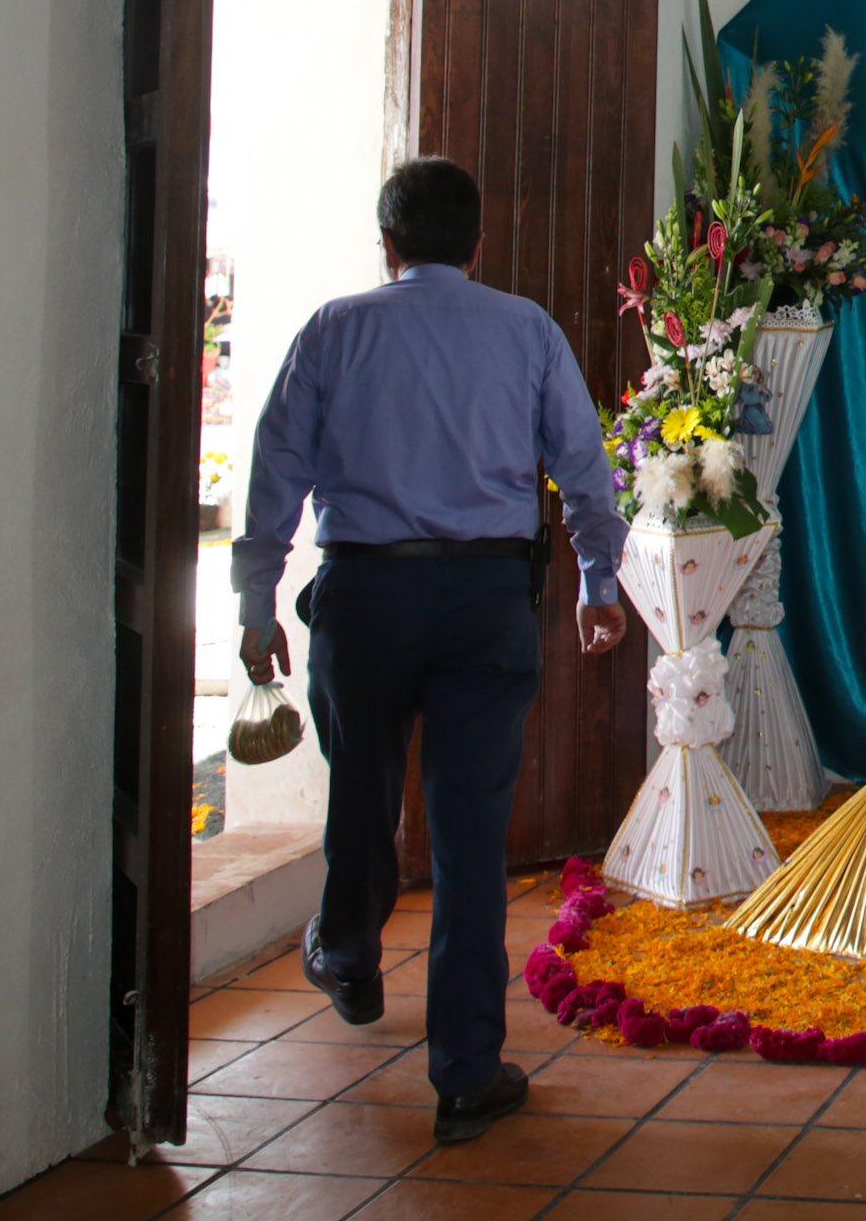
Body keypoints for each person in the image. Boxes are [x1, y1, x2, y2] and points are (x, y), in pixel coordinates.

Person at [233, 157, 628, 1144]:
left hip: (364, 597)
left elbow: (277, 467)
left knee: (361, 790)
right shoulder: (527, 329)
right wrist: (598, 584)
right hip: (487, 602)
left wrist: (255, 599)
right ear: (479, 243)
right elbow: (583, 468)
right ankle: (465, 1071)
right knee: (467, 841)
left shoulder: (333, 329)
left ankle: (351, 955)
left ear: (389, 243)